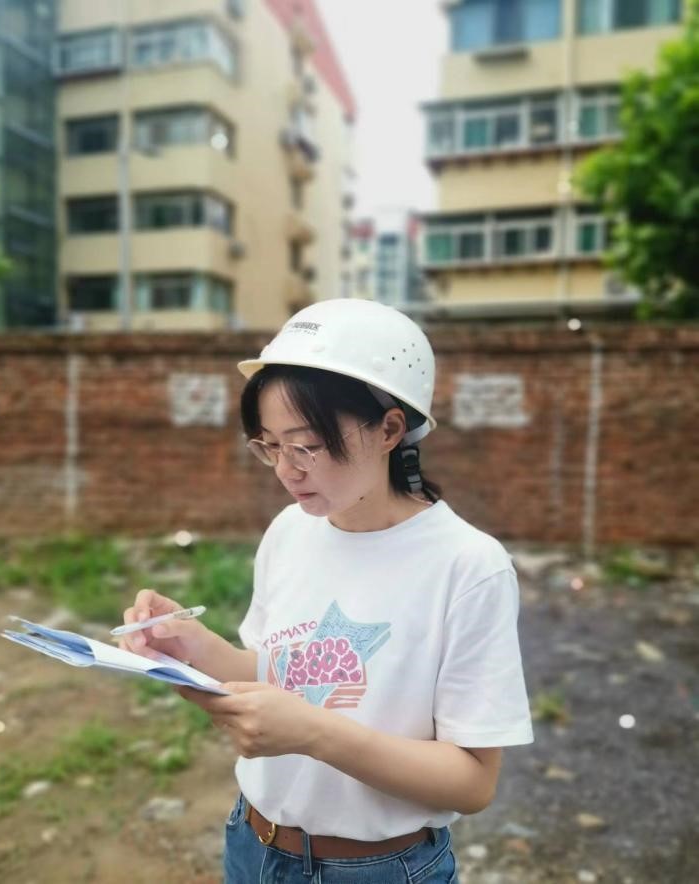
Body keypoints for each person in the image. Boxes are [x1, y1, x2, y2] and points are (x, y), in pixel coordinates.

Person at [120, 298, 533, 883]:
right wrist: (191, 645)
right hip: (252, 841)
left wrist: (315, 734)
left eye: (307, 445)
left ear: (390, 429)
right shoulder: (291, 530)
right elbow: (283, 675)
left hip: (378, 868)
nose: (286, 469)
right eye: (270, 445)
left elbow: (472, 783)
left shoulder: (468, 566)